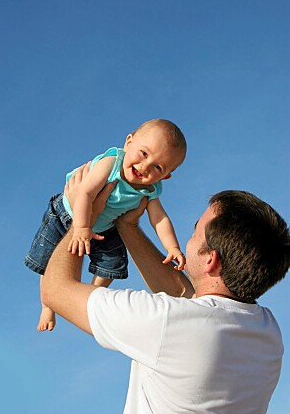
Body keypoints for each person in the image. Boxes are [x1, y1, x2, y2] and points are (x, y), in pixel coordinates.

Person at [41, 165, 290, 414]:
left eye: (195, 231)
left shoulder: (167, 323)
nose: (188, 239)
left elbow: (56, 290)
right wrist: (128, 227)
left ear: (210, 260)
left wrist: (82, 217)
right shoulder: (267, 334)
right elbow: (186, 296)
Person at [24, 119, 187, 331]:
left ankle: (88, 294)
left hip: (105, 228)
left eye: (157, 167)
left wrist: (172, 247)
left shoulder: (150, 190)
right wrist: (81, 228)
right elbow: (85, 192)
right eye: (143, 154)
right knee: (47, 258)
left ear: (166, 176)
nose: (144, 166)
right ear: (129, 142)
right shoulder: (112, 163)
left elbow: (160, 219)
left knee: (113, 265)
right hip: (68, 213)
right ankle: (47, 306)